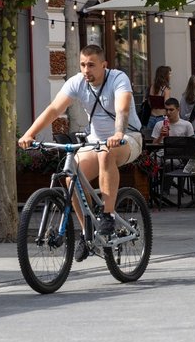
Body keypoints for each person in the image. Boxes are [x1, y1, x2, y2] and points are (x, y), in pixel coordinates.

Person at [18, 44, 143, 259]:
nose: (86, 70)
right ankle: (86, 233)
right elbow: (54, 109)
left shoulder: (118, 79)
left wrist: (118, 133)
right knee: (70, 175)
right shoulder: (77, 82)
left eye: (91, 65)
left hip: (127, 138)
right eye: (83, 65)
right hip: (95, 141)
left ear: (104, 65)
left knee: (106, 154)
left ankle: (108, 215)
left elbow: (122, 108)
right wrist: (29, 134)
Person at [146, 65, 172, 132]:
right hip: (161, 118)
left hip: (151, 117)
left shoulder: (152, 87)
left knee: (150, 139)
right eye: (169, 74)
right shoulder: (166, 89)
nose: (170, 76)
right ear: (164, 75)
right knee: (161, 139)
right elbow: (167, 105)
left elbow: (149, 102)